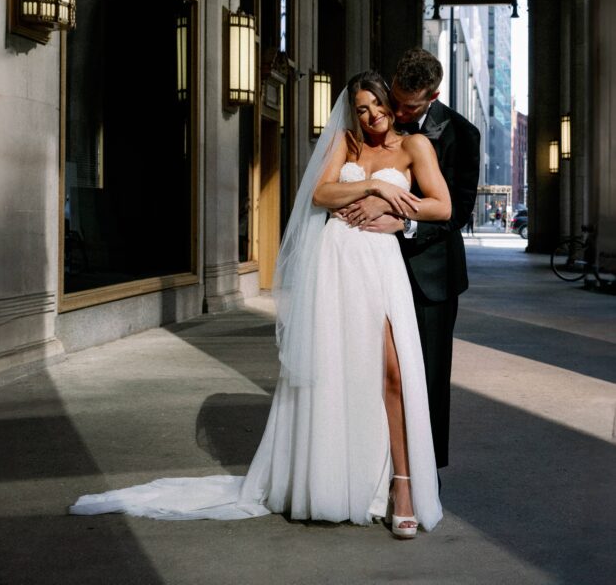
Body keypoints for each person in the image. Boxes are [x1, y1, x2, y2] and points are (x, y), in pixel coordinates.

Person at [70, 71, 450, 536]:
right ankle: (336, 480)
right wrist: (373, 188)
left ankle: (403, 486)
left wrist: (395, 207)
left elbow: (441, 206)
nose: (372, 116)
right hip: (337, 263)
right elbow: (320, 193)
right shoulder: (346, 144)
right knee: (337, 369)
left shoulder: (414, 147)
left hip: (379, 264)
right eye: (363, 108)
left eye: (378, 105)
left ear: (392, 103)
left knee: (392, 372)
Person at [338, 48, 480, 473]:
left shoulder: (461, 134)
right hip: (369, 266)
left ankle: (423, 477)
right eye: (395, 98)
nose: (398, 111)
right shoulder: (376, 120)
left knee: (428, 378)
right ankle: (376, 464)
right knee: (375, 370)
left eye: (410, 105)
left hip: (430, 276)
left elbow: (458, 212)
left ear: (433, 96)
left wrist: (403, 223)